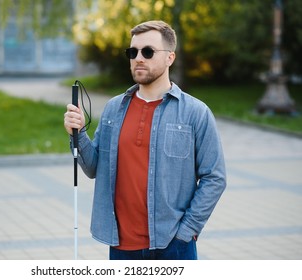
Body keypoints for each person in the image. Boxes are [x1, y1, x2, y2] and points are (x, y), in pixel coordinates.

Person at [64, 20, 226, 260]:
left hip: (174, 245)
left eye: (148, 52)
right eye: (133, 52)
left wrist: (188, 230)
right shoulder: (113, 109)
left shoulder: (195, 112)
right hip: (121, 247)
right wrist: (77, 133)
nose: (139, 58)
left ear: (170, 57)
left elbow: (215, 177)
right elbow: (92, 166)